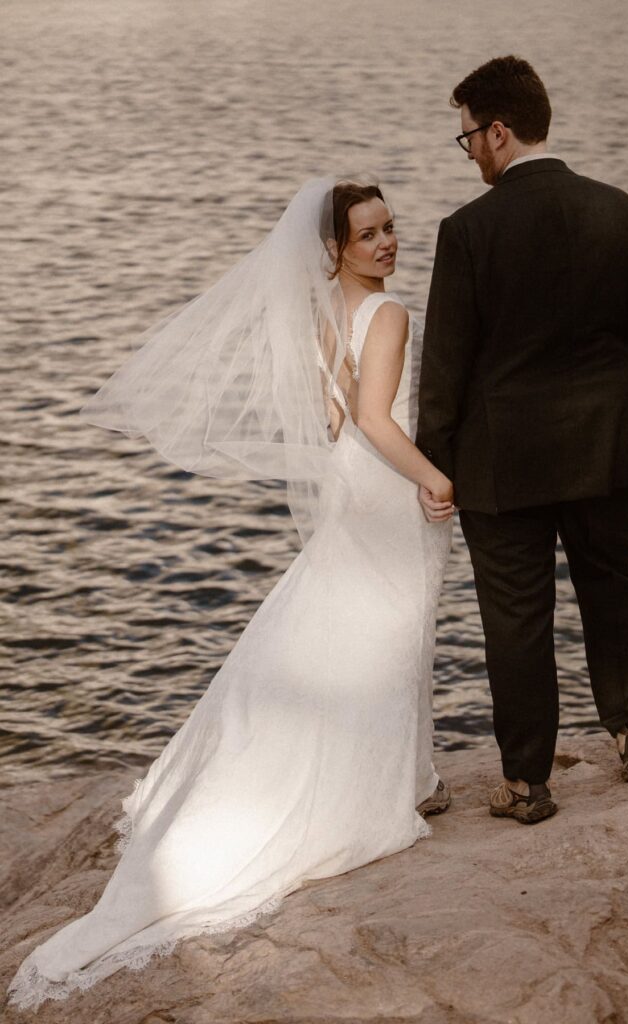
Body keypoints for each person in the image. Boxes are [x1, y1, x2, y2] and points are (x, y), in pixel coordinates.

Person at [7, 177, 455, 1011]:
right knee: (391, 627)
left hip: (351, 484)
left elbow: (329, 420)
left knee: (345, 620)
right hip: (388, 484)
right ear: (335, 248)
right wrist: (437, 479)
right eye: (368, 234)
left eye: (390, 227)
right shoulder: (387, 315)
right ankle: (388, 785)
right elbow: (374, 417)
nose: (388, 242)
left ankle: (405, 770)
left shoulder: (320, 311)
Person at [417, 55, 628, 825]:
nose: (469, 155)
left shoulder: (468, 230)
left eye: (467, 140)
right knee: (610, 586)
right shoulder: (619, 208)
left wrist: (435, 464)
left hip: (503, 460)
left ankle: (527, 783)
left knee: (515, 617)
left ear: (498, 131)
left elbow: (446, 362)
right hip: (602, 443)